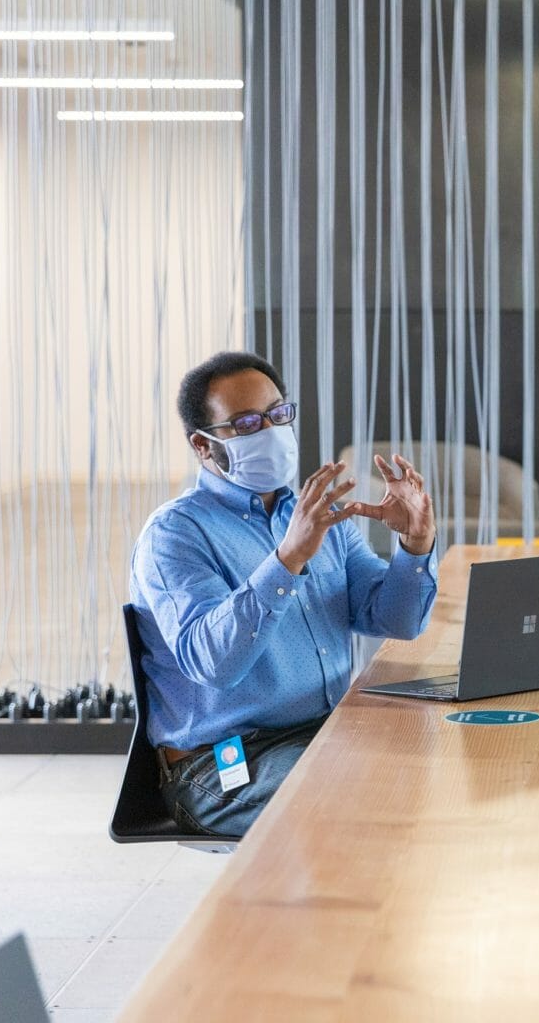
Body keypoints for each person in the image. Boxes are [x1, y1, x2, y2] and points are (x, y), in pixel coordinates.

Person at [129, 351, 438, 838]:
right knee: (362, 799)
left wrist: (414, 546)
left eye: (277, 414)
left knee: (439, 762)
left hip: (325, 733)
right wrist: (286, 560)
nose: (269, 430)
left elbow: (394, 620)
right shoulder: (174, 535)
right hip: (223, 764)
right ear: (203, 446)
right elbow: (213, 663)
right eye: (246, 423)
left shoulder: (313, 512)